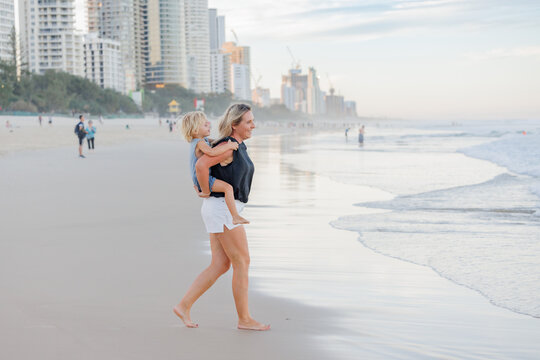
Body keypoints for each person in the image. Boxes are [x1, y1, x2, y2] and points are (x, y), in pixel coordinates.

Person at [174, 104, 269, 331]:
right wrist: (204, 190)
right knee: (242, 262)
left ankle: (183, 305)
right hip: (222, 209)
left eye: (252, 120)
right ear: (234, 124)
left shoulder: (235, 146)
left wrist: (205, 191)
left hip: (217, 207)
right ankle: (244, 319)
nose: (253, 125)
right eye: (248, 121)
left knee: (220, 264)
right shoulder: (227, 146)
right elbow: (201, 165)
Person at [180, 111, 248, 225]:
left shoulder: (203, 140)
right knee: (228, 188)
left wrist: (224, 140)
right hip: (202, 177)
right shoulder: (199, 142)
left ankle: (204, 192)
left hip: (201, 176)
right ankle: (235, 216)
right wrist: (229, 145)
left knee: (226, 188)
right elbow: (212, 152)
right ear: (195, 130)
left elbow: (215, 142)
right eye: (205, 125)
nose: (209, 125)